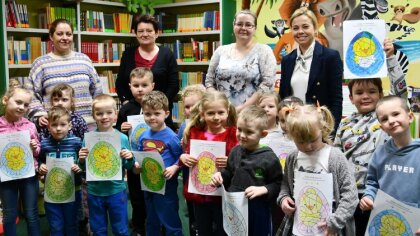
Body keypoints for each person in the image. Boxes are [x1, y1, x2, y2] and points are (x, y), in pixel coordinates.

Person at [334, 39, 407, 235]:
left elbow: (400, 93)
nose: (365, 96)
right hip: (349, 196)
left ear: (381, 94)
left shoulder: (386, 118)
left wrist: (390, 57)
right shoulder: (345, 123)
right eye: (359, 92)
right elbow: (337, 156)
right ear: (351, 98)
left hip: (381, 193)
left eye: (372, 91)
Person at [277, 105, 358, 236]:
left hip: (329, 228)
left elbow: (351, 195)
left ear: (322, 129)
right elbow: (285, 184)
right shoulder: (292, 157)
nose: (308, 146)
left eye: (313, 140)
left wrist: (336, 222)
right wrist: (283, 198)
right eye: (300, 142)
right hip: (299, 225)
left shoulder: (335, 157)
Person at [212, 105, 282, 236]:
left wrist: (264, 189)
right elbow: (229, 172)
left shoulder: (269, 158)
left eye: (249, 132)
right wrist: (220, 176)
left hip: (257, 211)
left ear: (263, 134)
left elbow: (278, 184)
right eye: (239, 129)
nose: (242, 135)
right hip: (234, 208)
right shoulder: (235, 151)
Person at [180, 90, 237, 236]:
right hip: (199, 195)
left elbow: (241, 162)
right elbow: (187, 154)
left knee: (223, 229)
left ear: (227, 112)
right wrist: (183, 158)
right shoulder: (194, 132)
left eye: (220, 113)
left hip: (222, 195)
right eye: (211, 113)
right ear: (202, 114)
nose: (216, 117)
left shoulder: (233, 134)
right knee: (202, 228)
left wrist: (230, 161)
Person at [26, 19, 102, 128]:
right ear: (51, 37)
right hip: (56, 129)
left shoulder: (84, 60)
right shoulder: (40, 64)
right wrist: (40, 115)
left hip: (87, 126)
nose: (65, 38)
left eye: (68, 34)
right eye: (60, 34)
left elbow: (97, 92)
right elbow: (31, 95)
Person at [360, 96, 420, 235]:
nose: (391, 121)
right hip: (383, 222)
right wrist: (368, 197)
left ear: (410, 116)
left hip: (413, 226)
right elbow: (372, 183)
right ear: (382, 127)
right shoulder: (379, 153)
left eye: (396, 114)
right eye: (385, 119)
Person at [278, 8, 343, 132]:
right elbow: (283, 97)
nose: (300, 31)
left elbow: (336, 99)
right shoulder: (287, 60)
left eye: (305, 27)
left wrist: (331, 131)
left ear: (315, 28)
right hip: (292, 127)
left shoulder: (330, 56)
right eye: (295, 28)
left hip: (319, 127)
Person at [78, 94, 134, 236]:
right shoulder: (88, 139)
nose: (104, 117)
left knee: (120, 228)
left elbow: (128, 166)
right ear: (93, 116)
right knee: (98, 229)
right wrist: (82, 160)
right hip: (94, 192)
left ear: (116, 115)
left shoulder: (122, 138)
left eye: (109, 113)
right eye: (99, 113)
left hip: (116, 191)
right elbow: (84, 169)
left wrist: (129, 158)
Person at [205, 10, 276, 113]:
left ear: (255, 28)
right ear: (234, 26)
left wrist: (241, 109)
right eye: (239, 24)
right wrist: (220, 106)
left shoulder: (264, 51)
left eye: (248, 25)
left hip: (252, 115)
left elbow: (267, 84)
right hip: (221, 114)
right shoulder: (220, 51)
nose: (243, 28)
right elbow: (209, 82)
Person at [116, 14, 179, 130]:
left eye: (149, 31)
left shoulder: (167, 54)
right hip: (133, 112)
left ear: (157, 33)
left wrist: (160, 104)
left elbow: (174, 85)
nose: (144, 34)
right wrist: (126, 103)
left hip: (159, 113)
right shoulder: (127, 54)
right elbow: (120, 83)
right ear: (135, 33)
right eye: (140, 31)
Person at [135, 91, 183, 236]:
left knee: (170, 220)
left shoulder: (171, 137)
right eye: (148, 114)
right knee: (151, 219)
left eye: (156, 113)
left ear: (166, 113)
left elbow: (181, 158)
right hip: (148, 185)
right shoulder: (143, 136)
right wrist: (137, 165)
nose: (152, 118)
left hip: (167, 187)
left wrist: (175, 167)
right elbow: (140, 157)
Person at [115, 67, 154, 236]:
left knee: (153, 192)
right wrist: (121, 128)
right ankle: (138, 225)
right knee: (136, 194)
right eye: (136, 85)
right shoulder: (126, 109)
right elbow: (116, 132)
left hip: (153, 157)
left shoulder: (157, 105)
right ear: (130, 86)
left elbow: (166, 126)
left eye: (144, 85)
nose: (140, 89)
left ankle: (154, 222)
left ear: (152, 85)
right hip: (133, 158)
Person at [0, 87, 41, 236]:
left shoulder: (30, 126)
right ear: (5, 100)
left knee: (31, 213)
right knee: (9, 215)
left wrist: (35, 147)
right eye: (18, 102)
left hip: (29, 176)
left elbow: (37, 152)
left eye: (25, 105)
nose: (22, 107)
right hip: (6, 177)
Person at [38, 106, 83, 235]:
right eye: (54, 125)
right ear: (48, 127)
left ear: (70, 126)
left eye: (63, 124)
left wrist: (79, 166)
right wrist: (40, 167)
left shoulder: (77, 142)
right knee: (56, 225)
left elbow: (84, 162)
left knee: (72, 223)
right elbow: (40, 160)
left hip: (74, 189)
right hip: (52, 191)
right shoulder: (44, 144)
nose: (58, 128)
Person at [177, 84, 206, 236]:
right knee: (192, 212)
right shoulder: (184, 126)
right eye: (187, 106)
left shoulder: (211, 125)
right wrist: (182, 156)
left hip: (208, 178)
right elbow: (178, 150)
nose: (191, 110)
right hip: (190, 177)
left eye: (195, 105)